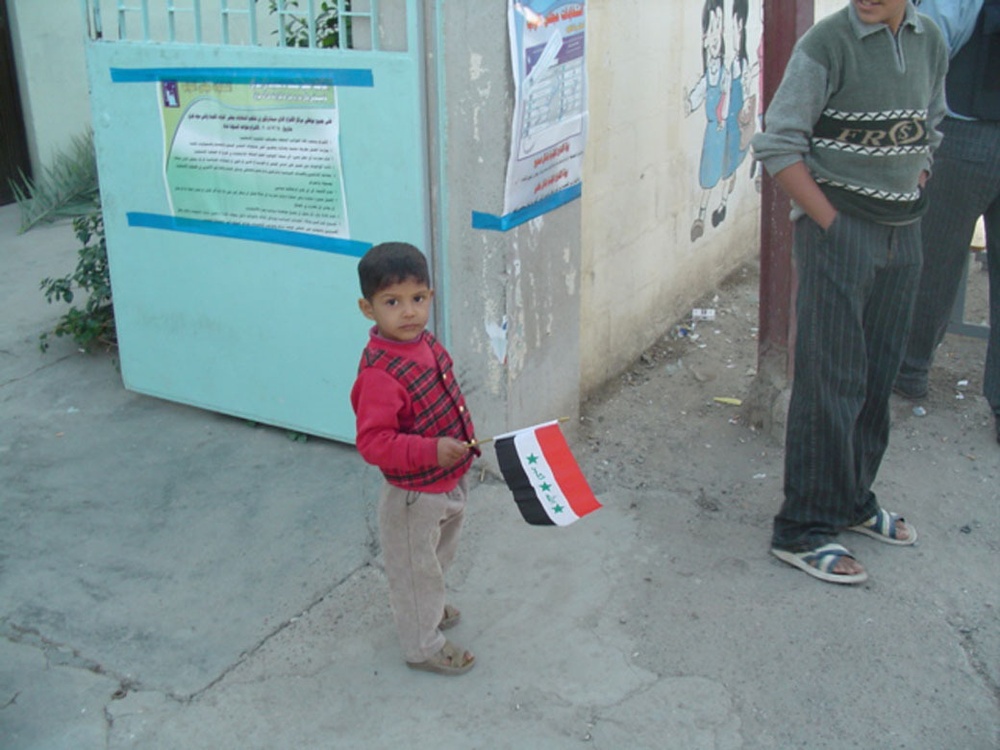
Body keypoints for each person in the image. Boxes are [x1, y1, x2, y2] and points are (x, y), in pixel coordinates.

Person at [751, 0, 947, 584]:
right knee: (829, 380)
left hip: (904, 230)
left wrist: (917, 177)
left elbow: (931, 125)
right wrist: (833, 224)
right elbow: (778, 144)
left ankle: (853, 500)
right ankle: (803, 528)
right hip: (840, 233)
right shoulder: (826, 44)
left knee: (877, 374)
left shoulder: (929, 40)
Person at [350, 241, 480, 674]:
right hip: (412, 496)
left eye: (417, 299)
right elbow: (373, 443)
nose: (408, 312)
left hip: (447, 481)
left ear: (431, 296)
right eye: (392, 302)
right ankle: (422, 645)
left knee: (438, 557)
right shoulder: (379, 375)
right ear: (368, 309)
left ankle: (429, 607)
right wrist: (430, 450)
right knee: (413, 571)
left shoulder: (426, 344)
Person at [894, 0, 1000, 446]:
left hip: (965, 136)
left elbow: (929, 47)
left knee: (933, 261)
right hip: (966, 130)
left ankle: (911, 372)